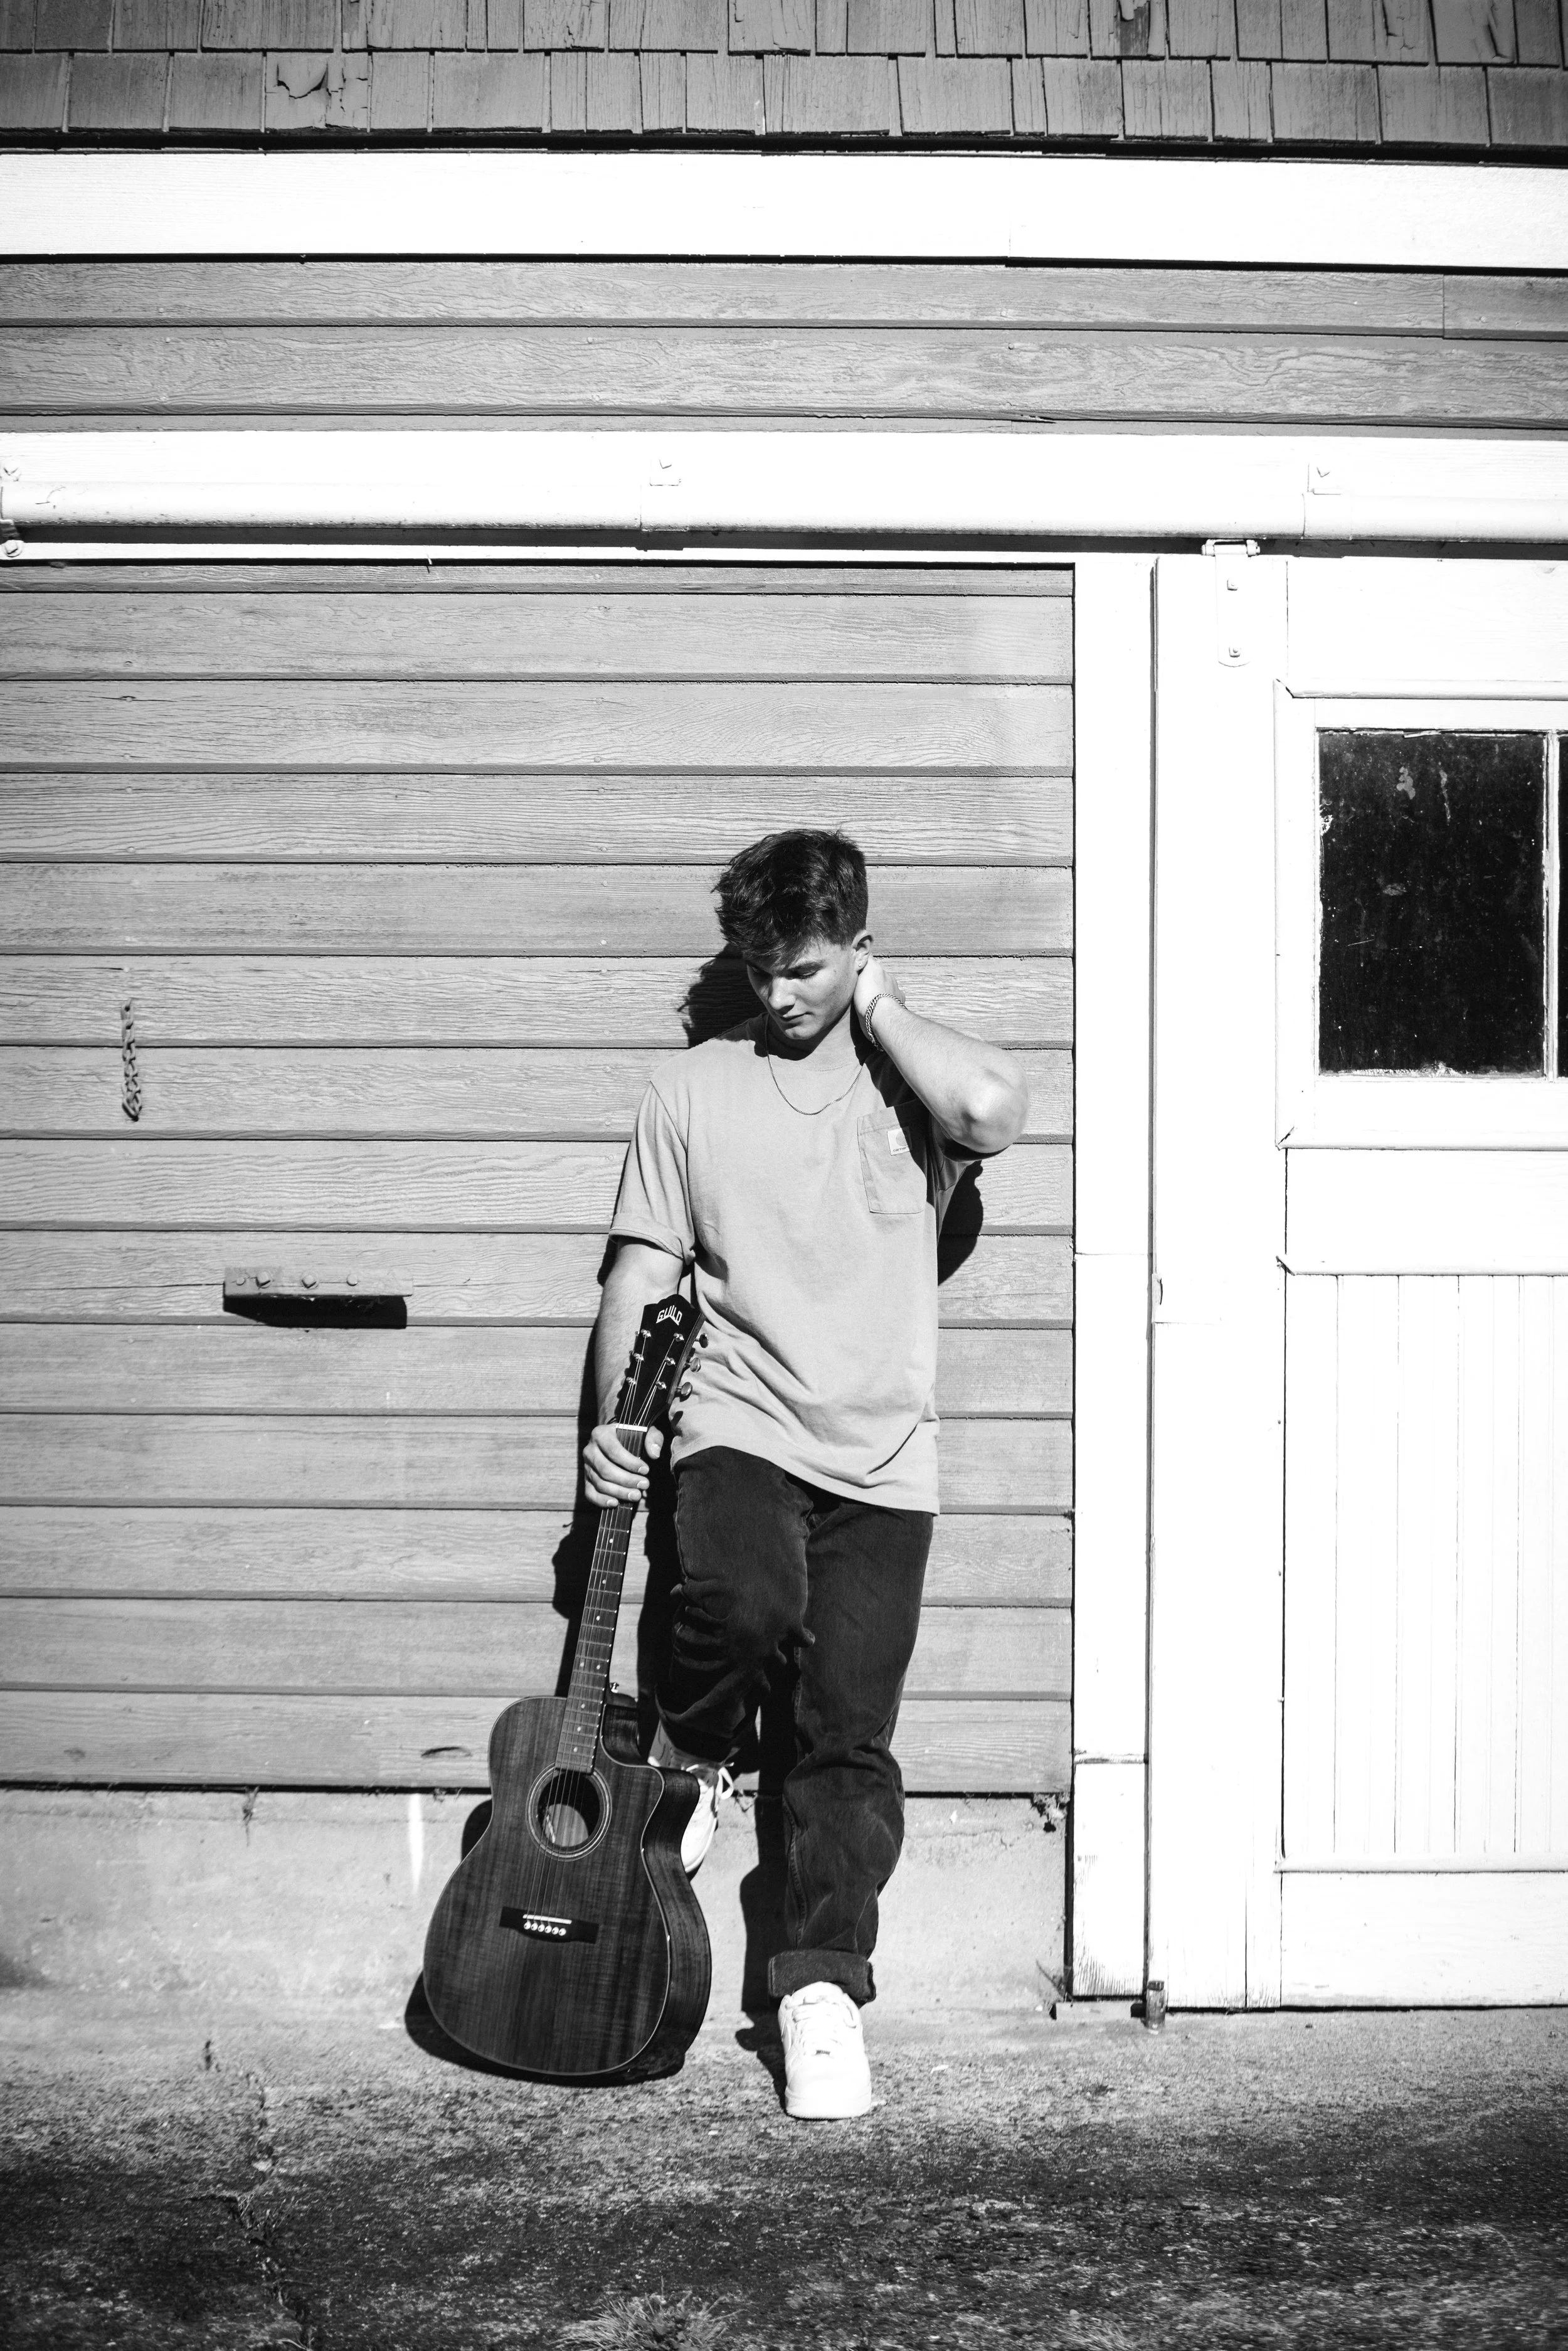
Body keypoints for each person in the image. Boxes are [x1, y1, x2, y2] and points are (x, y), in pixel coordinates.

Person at [582, 829, 1028, 2120]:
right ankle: (692, 1753)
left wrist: (880, 1008)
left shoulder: (915, 1098)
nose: (777, 995)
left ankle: (817, 1988)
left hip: (886, 1461)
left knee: (844, 1739)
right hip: (736, 1423)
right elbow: (634, 1278)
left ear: (856, 953)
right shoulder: (691, 1093)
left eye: (807, 970)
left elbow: (992, 1107)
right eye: (757, 968)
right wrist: (612, 1437)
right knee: (741, 1597)